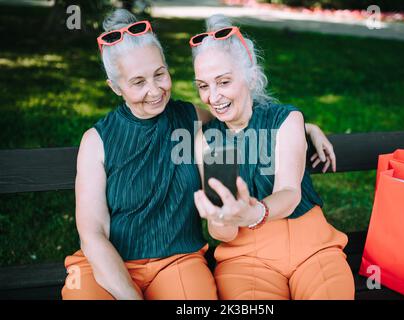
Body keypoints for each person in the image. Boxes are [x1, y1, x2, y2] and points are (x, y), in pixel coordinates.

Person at [61, 9, 336, 300]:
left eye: (160, 74)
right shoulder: (97, 140)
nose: (154, 90)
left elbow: (242, 118)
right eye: (138, 82)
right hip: (106, 266)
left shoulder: (189, 117)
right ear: (115, 87)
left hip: (178, 262)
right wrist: (130, 296)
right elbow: (92, 232)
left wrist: (304, 126)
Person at [191, 15, 355, 300]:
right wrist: (221, 219)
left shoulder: (286, 119)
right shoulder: (207, 139)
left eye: (224, 81)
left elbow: (289, 193)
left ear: (251, 76)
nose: (213, 97)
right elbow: (224, 233)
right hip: (246, 259)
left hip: (312, 246)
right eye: (203, 85)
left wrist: (254, 212)